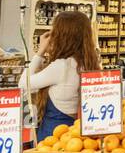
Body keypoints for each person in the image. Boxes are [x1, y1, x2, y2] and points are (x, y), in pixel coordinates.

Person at [22, 10, 100, 143]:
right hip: (78, 137)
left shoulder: (62, 66)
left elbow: (23, 84)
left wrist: (40, 52)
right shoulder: (90, 63)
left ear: (61, 36)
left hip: (53, 137)